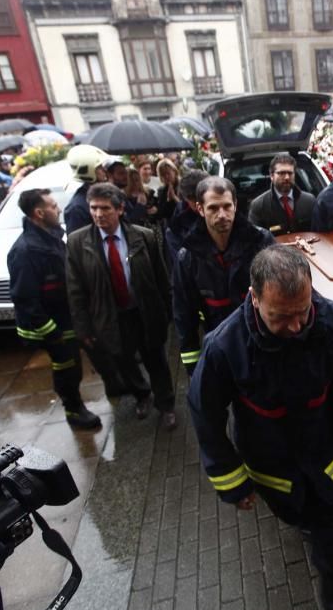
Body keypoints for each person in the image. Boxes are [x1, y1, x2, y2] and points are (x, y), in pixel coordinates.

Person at [188, 245, 333, 610]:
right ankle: (306, 523)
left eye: (303, 311)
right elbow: (205, 413)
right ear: (254, 298)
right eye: (281, 317)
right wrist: (232, 482)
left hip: (325, 456)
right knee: (296, 514)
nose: (297, 326)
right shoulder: (224, 347)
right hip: (272, 467)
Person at [66, 183, 177, 430]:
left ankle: (166, 405)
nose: (98, 214)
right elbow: (75, 290)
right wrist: (83, 328)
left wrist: (167, 311)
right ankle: (141, 395)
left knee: (156, 361)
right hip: (109, 317)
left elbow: (161, 277)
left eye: (105, 208)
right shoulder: (77, 242)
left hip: (144, 312)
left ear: (120, 209)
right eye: (93, 208)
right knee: (124, 360)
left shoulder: (143, 236)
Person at [8, 188, 101, 430]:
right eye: (52, 206)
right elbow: (25, 298)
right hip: (51, 325)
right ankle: (74, 410)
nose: (58, 209)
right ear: (39, 213)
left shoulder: (48, 238)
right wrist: (52, 333)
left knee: (75, 362)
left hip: (64, 318)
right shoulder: (25, 250)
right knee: (66, 366)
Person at [174, 177, 274, 377]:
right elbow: (184, 315)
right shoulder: (188, 257)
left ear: (235, 205)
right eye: (213, 208)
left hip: (263, 343)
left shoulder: (261, 242)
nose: (222, 214)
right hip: (221, 346)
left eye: (227, 206)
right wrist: (194, 370)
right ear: (199, 209)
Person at [248, 153, 315, 235]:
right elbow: (255, 240)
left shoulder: (309, 201)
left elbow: (318, 233)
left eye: (290, 173)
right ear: (272, 176)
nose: (287, 177)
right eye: (281, 173)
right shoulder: (259, 206)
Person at [64, 144, 110, 234]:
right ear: (90, 171)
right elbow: (77, 243)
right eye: (99, 167)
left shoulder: (102, 195)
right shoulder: (77, 208)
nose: (104, 171)